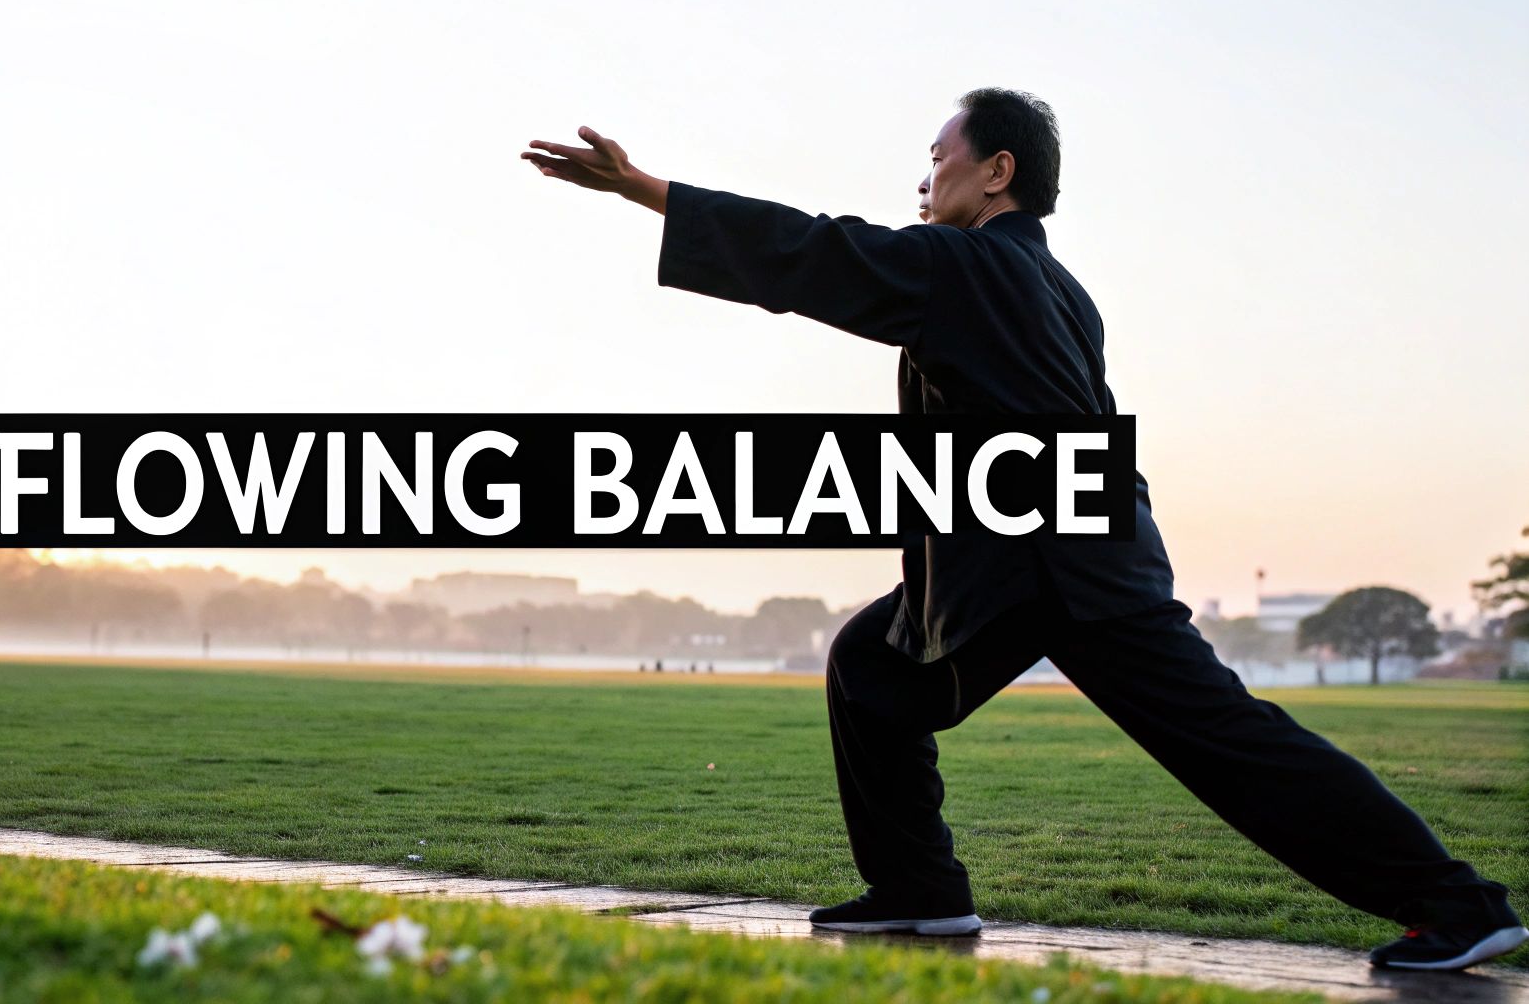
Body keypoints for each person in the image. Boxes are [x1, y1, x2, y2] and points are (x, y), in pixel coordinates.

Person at [520, 89, 1526, 972]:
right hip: (1037, 552)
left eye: (938, 157)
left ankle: (1458, 905)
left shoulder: (968, 266)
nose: (924, 176)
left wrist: (647, 190)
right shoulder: (1052, 283)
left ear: (996, 171)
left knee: (1228, 743)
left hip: (1061, 564)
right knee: (871, 665)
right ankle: (918, 889)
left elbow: (813, 250)